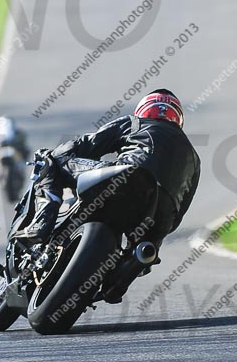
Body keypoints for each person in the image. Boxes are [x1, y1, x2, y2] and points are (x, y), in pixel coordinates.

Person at [19, 90, 200, 254]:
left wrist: (52, 154)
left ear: (145, 109)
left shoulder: (135, 123)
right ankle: (124, 273)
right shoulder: (194, 158)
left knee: (53, 161)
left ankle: (42, 222)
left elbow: (87, 145)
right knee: (140, 258)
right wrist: (157, 237)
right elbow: (182, 208)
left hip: (126, 181)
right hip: (161, 218)